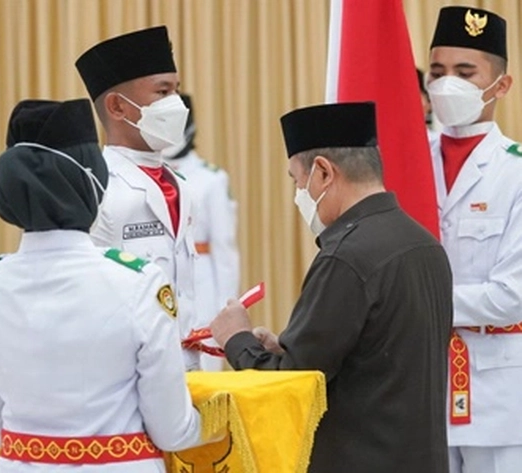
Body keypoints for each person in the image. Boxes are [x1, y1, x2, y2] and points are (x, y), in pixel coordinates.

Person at [0, 99, 214, 472]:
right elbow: (172, 430)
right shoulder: (137, 284)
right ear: (93, 181)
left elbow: (0, 429)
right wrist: (225, 419)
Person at [210, 102, 453, 473]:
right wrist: (284, 346)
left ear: (323, 172)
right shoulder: (424, 243)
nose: (298, 194)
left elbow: (291, 383)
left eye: (296, 179)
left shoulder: (347, 257)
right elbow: (377, 354)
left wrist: (236, 339)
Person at [426, 6, 522, 472]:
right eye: (438, 71)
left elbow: (512, 296)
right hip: (420, 384)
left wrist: (415, 298)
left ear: (501, 85)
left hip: (500, 394)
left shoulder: (516, 173)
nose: (448, 84)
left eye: (466, 73)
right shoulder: (406, 162)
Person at [75, 26, 203, 370]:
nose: (176, 104)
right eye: (162, 92)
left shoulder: (179, 183)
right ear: (118, 107)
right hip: (125, 375)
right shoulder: (95, 186)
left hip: (185, 367)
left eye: (175, 91)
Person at [162, 94, 240, 371]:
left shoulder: (212, 179)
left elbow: (225, 249)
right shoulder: (143, 174)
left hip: (201, 279)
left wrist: (225, 308)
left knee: (203, 369)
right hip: (158, 280)